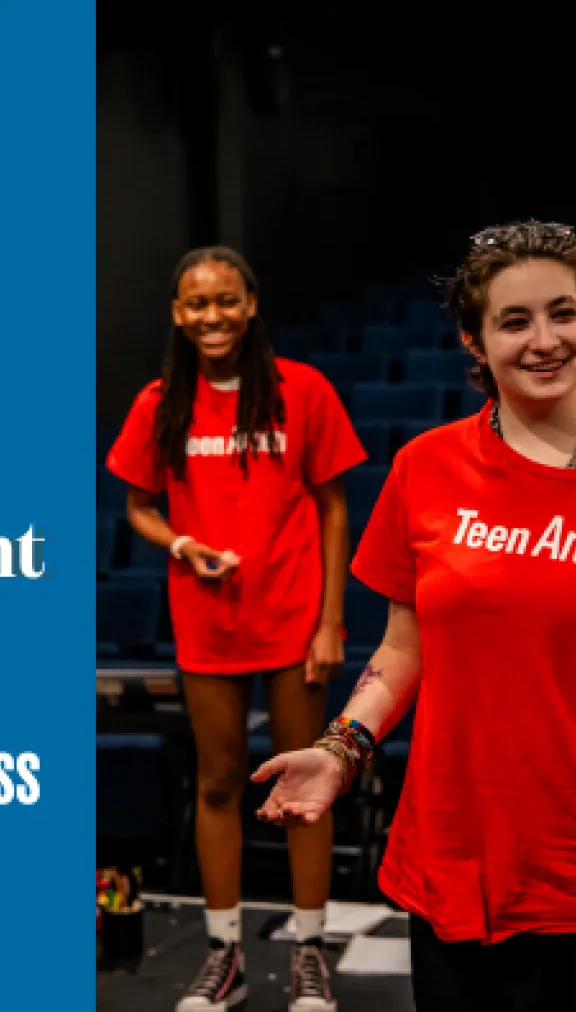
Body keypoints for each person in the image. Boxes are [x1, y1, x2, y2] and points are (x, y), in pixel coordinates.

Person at [253, 220, 576, 1011]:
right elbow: (404, 648)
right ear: (475, 339)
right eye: (514, 320)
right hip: (458, 854)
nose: (545, 340)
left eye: (565, 312)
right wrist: (339, 750)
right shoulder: (427, 467)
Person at [106, 246, 367, 1011]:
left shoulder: (302, 390)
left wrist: (331, 624)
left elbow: (334, 507)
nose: (210, 316)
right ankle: (225, 957)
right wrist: (182, 544)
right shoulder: (160, 402)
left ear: (251, 305)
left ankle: (309, 953)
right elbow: (139, 507)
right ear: (178, 315)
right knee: (218, 783)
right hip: (208, 623)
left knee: (303, 788)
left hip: (292, 621)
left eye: (225, 301)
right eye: (195, 304)